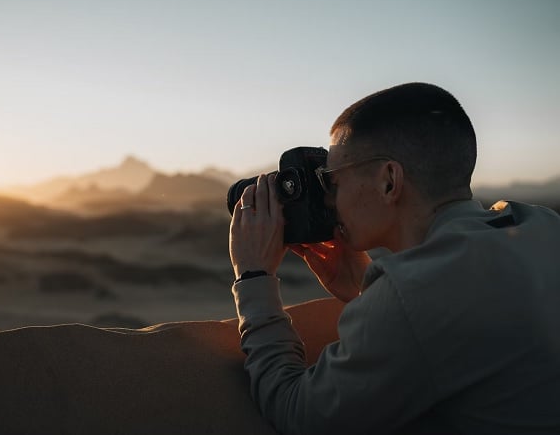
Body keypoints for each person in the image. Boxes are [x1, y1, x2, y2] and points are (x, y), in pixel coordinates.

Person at [229, 82, 560, 435]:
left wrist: (254, 278)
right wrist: (364, 288)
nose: (329, 201)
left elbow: (298, 413)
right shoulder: (542, 224)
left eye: (332, 181)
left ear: (389, 180)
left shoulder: (413, 296)